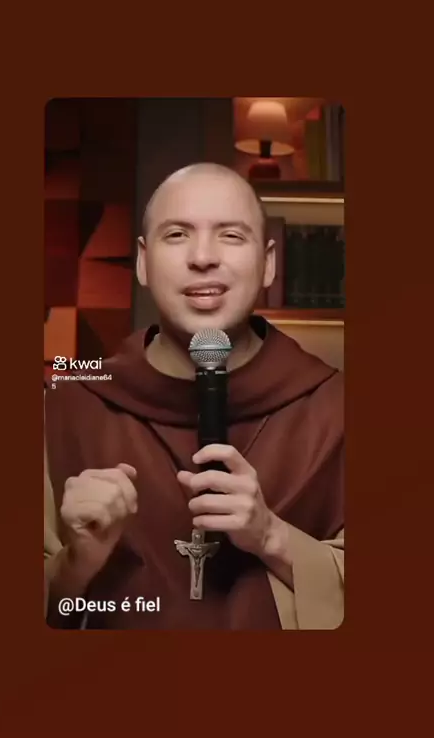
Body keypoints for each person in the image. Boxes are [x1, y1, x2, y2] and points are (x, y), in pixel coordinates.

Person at [44, 163, 344, 630]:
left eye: (231, 235)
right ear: (142, 261)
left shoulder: (338, 406)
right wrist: (78, 560)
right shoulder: (67, 406)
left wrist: (272, 536)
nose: (203, 257)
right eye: (177, 234)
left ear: (268, 262)